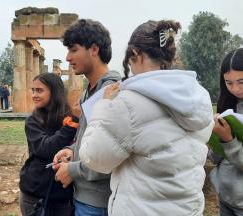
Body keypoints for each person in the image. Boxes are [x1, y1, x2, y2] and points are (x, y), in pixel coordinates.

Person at [78, 20, 214, 215]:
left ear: (135, 54)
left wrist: (104, 106)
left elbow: (94, 158)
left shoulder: (128, 103)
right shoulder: (200, 97)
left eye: (130, 61)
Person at [53, 19, 121, 216]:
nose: (67, 57)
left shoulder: (111, 91)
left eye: (73, 50)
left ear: (94, 49)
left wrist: (73, 170)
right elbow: (91, 140)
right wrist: (72, 151)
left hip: (100, 202)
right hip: (84, 196)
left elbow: (110, 153)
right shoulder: (88, 92)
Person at [19, 73, 78, 216]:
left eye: (39, 90)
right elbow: (46, 148)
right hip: (35, 194)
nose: (34, 95)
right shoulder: (33, 121)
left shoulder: (69, 117)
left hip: (63, 195)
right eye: (33, 90)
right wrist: (71, 126)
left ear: (55, 92)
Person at [209, 48, 243, 216]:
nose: (235, 89)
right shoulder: (228, 104)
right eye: (229, 83)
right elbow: (216, 158)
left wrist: (229, 140)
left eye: (241, 82)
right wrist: (212, 137)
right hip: (225, 196)